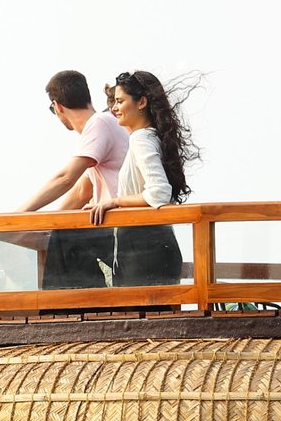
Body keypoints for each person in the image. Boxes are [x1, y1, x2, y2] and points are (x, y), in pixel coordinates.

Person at [19, 70, 129, 290]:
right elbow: (82, 192)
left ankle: (63, 308)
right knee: (62, 237)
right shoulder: (104, 124)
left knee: (66, 241)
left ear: (58, 106)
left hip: (123, 226)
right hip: (117, 224)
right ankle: (79, 304)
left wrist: (17, 217)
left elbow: (66, 178)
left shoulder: (99, 124)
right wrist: (49, 225)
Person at [88, 70, 199, 285]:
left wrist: (114, 202)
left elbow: (159, 193)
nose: (114, 108)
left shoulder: (141, 139)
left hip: (143, 254)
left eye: (120, 101)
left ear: (141, 103)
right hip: (155, 248)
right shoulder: (152, 137)